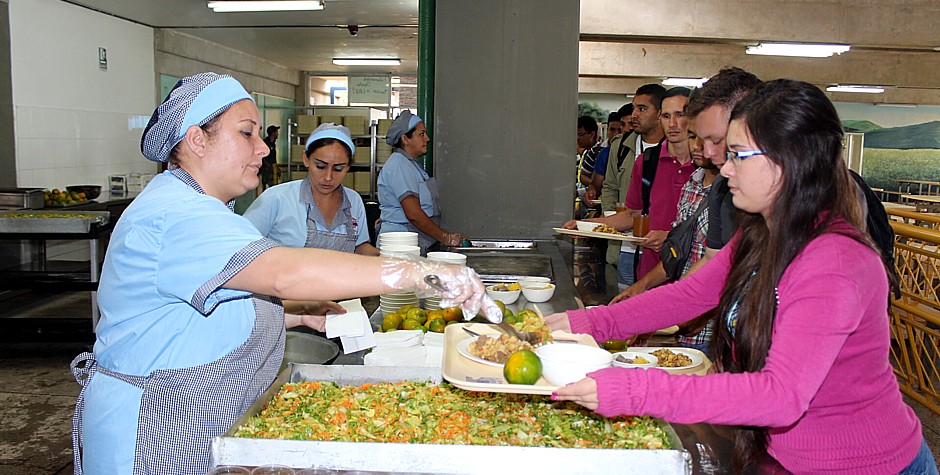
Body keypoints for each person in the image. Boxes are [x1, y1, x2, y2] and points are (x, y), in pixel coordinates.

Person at [69, 73, 501, 475]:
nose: (263, 148)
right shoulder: (175, 215)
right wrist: (425, 273)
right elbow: (281, 272)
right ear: (197, 140)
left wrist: (292, 314)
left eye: (259, 134)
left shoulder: (203, 210)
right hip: (155, 432)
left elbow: (198, 312)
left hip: (193, 420)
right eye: (246, 133)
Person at [548, 79, 936, 474]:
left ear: (790, 159)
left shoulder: (833, 260)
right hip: (786, 457)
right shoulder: (764, 231)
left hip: (865, 464)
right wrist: (587, 322)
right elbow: (691, 295)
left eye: (738, 155)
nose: (725, 167)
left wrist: (634, 389)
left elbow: (781, 394)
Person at [610, 114, 719, 353]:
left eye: (707, 139)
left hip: (713, 330)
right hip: (684, 318)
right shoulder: (693, 181)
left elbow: (722, 267)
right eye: (693, 137)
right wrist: (641, 287)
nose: (697, 146)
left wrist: (666, 314)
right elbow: (679, 254)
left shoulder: (733, 193)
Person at [566, 87, 694, 282]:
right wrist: (585, 225)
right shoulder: (647, 161)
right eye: (667, 116)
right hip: (650, 274)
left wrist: (669, 237)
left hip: (693, 274)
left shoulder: (710, 166)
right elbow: (632, 214)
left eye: (680, 115)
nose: (673, 123)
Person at [243, 122, 379, 257]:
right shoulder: (277, 198)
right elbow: (240, 245)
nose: (328, 177)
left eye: (338, 168)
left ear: (348, 166)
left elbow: (359, 247)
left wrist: (387, 257)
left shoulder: (353, 200)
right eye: (320, 166)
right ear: (306, 159)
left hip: (339, 279)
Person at [600, 86, 666, 289]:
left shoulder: (674, 152)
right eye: (634, 108)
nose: (634, 115)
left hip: (661, 250)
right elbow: (609, 186)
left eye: (642, 109)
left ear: (659, 113)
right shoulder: (621, 146)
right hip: (626, 247)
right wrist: (610, 222)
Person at [376, 110, 466, 254]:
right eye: (421, 134)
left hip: (412, 242)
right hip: (401, 244)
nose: (427, 138)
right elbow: (413, 213)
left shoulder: (410, 165)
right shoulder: (399, 165)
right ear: (405, 139)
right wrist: (445, 237)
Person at [259, 124, 278, 190]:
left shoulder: (273, 144)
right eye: (276, 132)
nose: (277, 134)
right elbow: (262, 157)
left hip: (273, 169)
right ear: (273, 133)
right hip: (266, 170)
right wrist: (269, 166)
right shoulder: (265, 143)